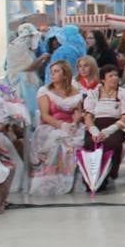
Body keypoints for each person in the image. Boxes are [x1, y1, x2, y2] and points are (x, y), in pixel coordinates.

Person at [29, 59, 87, 196]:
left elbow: (79, 113)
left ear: (65, 74)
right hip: (50, 126)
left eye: (56, 71)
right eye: (51, 72)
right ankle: (52, 182)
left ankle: (72, 180)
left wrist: (75, 122)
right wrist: (62, 125)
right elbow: (45, 116)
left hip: (73, 125)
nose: (52, 75)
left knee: (76, 141)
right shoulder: (45, 91)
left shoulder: (77, 91)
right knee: (59, 141)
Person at [82, 64, 125, 191]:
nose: (115, 78)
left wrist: (108, 131)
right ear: (103, 80)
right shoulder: (94, 93)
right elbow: (88, 116)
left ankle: (109, 175)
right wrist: (94, 131)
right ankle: (92, 179)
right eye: (110, 76)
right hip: (96, 125)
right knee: (90, 143)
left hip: (116, 126)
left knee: (112, 143)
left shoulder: (123, 93)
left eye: (116, 75)